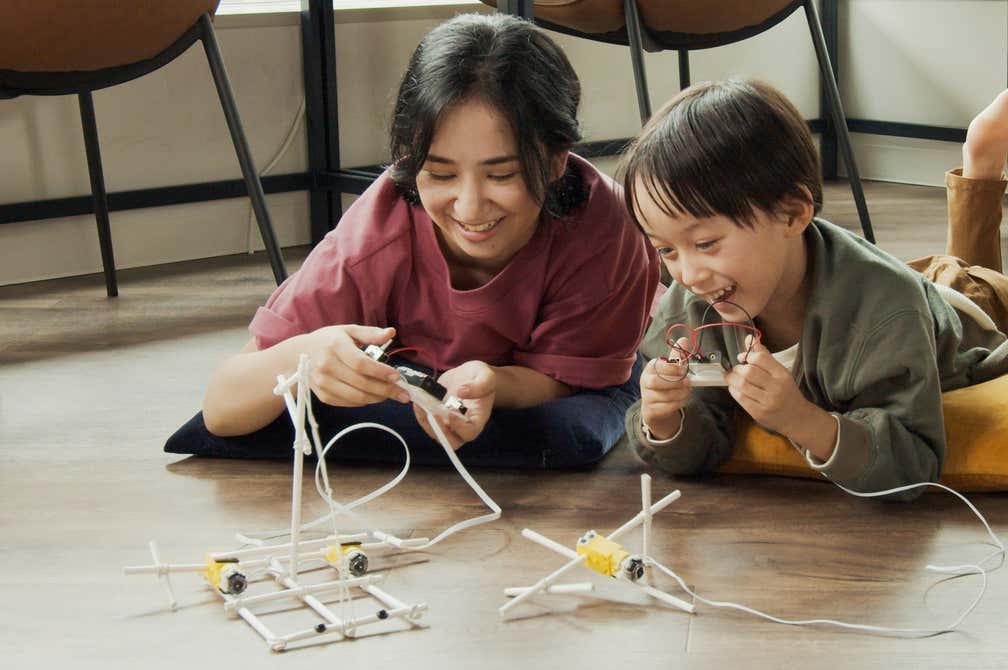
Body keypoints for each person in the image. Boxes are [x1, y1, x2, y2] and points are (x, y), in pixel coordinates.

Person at [166, 13, 658, 468]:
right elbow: (221, 412)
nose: (469, 207)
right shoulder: (377, 234)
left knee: (578, 427)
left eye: (501, 174)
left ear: (555, 161)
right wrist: (309, 357)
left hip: (571, 359)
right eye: (440, 174)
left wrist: (493, 384)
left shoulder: (607, 230)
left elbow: (572, 382)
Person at [621, 73, 1008, 497]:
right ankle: (983, 157)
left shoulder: (886, 311)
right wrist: (665, 420)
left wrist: (801, 420)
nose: (686, 274)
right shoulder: (696, 302)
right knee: (957, 267)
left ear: (793, 213)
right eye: (666, 250)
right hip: (904, 288)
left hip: (976, 315)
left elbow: (914, 461)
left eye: (706, 243)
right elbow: (700, 440)